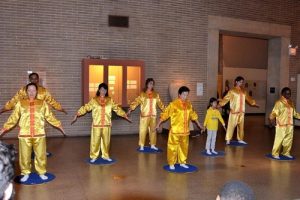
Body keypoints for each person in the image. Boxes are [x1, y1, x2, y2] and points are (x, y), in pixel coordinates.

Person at [0, 83, 65, 183]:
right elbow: (13, 118)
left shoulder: (42, 103)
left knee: (40, 155)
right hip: (24, 135)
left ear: (36, 92)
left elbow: (49, 116)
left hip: (39, 134)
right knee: (24, 155)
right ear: (26, 92)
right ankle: (25, 173)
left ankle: (42, 172)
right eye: (29, 90)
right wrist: (4, 128)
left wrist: (59, 125)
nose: (31, 92)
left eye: (33, 90)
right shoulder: (20, 103)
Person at [71, 83, 131, 163]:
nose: (103, 91)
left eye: (105, 89)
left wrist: (125, 115)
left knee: (106, 142)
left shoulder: (110, 100)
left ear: (106, 91)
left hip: (107, 125)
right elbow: (86, 108)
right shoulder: (94, 100)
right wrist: (77, 114)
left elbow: (117, 109)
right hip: (96, 125)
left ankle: (105, 156)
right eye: (102, 89)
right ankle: (94, 156)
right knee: (95, 142)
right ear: (99, 90)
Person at [156, 86, 203, 170]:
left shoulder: (189, 104)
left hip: (185, 131)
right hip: (175, 131)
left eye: (187, 95)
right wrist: (158, 124)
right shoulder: (173, 104)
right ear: (179, 94)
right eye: (184, 94)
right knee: (172, 147)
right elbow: (165, 114)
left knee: (184, 147)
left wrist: (199, 125)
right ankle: (171, 163)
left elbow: (193, 116)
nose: (185, 96)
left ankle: (182, 162)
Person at [0, 72, 67, 114]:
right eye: (32, 78)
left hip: (39, 116)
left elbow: (51, 101)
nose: (34, 80)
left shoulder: (43, 91)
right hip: (26, 115)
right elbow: (14, 100)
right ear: (29, 79)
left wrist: (60, 108)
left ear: (38, 79)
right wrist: (4, 109)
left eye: (35, 79)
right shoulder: (23, 90)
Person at [218, 76, 259, 145]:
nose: (241, 83)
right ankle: (228, 139)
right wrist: (219, 105)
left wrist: (254, 103)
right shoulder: (232, 91)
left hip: (241, 112)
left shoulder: (244, 91)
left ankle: (240, 139)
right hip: (234, 112)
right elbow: (226, 99)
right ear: (236, 82)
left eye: (242, 82)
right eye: (240, 82)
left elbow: (249, 98)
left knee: (241, 127)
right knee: (231, 126)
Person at [127, 78, 165, 151]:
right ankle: (141, 145)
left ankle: (153, 145)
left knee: (153, 130)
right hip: (144, 116)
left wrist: (166, 111)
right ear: (147, 84)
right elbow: (136, 102)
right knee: (143, 130)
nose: (151, 85)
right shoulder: (142, 94)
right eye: (150, 83)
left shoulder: (156, 94)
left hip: (153, 115)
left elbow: (160, 104)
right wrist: (130, 109)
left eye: (152, 84)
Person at [269, 87, 300, 159]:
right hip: (281, 125)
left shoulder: (291, 102)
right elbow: (274, 113)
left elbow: (294, 114)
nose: (288, 95)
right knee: (279, 140)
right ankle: (275, 153)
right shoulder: (279, 102)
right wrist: (271, 120)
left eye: (289, 93)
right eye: (287, 93)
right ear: (282, 94)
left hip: (290, 125)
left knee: (289, 140)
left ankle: (286, 152)